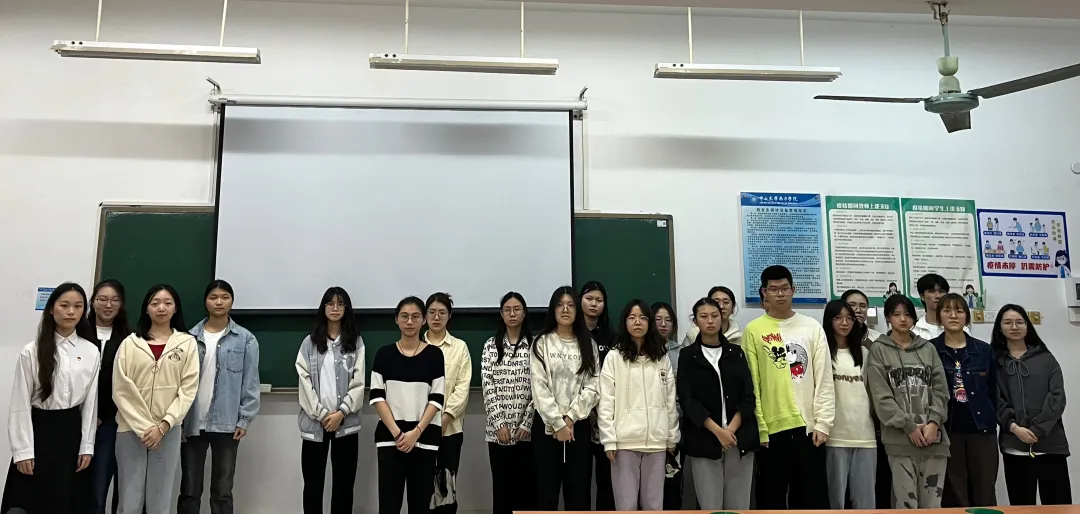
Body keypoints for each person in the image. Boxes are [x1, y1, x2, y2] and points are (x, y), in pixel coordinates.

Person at [1, 283, 99, 514]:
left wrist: (87, 446)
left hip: (71, 433)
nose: (71, 312)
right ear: (51, 309)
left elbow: (90, 404)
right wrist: (23, 450)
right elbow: (19, 404)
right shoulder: (32, 351)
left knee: (66, 500)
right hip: (39, 431)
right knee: (31, 502)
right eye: (64, 305)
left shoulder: (90, 351)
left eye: (78, 306)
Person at [742, 265, 833, 509]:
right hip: (772, 430)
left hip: (809, 429)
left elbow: (824, 378)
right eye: (773, 289)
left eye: (784, 288)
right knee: (771, 500)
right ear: (764, 293)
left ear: (794, 290)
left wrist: (823, 423)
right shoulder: (753, 330)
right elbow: (752, 384)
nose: (780, 294)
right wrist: (761, 428)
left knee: (811, 500)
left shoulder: (812, 327)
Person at [113, 284, 200, 514]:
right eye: (155, 303)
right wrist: (145, 428)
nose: (161, 308)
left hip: (168, 430)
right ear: (146, 308)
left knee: (160, 499)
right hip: (130, 429)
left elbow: (188, 389)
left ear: (175, 309)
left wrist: (163, 425)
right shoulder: (130, 343)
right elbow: (121, 390)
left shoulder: (187, 343)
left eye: (167, 303)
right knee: (129, 499)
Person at [178, 280, 261, 514]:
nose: (219, 302)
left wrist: (244, 419)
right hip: (191, 422)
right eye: (213, 297)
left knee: (222, 492)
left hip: (227, 423)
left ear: (232, 301)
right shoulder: (188, 338)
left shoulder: (245, 339)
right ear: (205, 301)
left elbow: (250, 382)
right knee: (189, 490)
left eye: (225, 297)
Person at [864, 295, 950, 509]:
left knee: (933, 504)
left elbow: (941, 390)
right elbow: (881, 397)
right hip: (899, 441)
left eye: (907, 314)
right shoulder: (879, 350)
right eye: (896, 314)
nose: (903, 319)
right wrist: (909, 426)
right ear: (887, 318)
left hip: (934, 439)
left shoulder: (928, 349)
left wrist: (934, 422)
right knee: (906, 504)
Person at [598, 300, 680, 511]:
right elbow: (606, 401)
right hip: (624, 443)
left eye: (643, 318)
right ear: (625, 322)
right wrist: (609, 439)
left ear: (649, 323)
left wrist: (672, 436)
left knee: (654, 505)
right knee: (626, 506)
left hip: (657, 442)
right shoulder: (614, 357)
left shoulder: (661, 357)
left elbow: (669, 400)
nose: (637, 322)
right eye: (632, 317)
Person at [677, 297, 757, 510]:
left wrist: (730, 431)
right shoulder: (688, 356)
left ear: (722, 318)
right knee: (711, 506)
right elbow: (688, 401)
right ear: (695, 321)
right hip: (704, 438)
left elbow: (748, 397)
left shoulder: (736, 353)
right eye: (703, 316)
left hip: (738, 439)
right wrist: (718, 432)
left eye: (715, 316)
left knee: (738, 506)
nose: (710, 321)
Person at [372, 296, 444, 514]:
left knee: (420, 506)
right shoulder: (383, 354)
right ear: (396, 320)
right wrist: (397, 434)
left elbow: (436, 399)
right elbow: (377, 397)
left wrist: (416, 433)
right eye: (404, 316)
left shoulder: (434, 355)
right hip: (390, 440)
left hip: (424, 441)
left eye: (415, 316)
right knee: (388, 505)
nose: (410, 321)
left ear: (424, 320)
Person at [296, 287, 365, 514]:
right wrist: (323, 414)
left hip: (346, 423)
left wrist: (341, 413)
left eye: (340, 304)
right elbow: (304, 381)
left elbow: (359, 382)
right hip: (315, 423)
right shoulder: (309, 342)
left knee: (344, 486)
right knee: (313, 486)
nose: (335, 308)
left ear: (346, 309)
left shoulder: (356, 342)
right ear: (323, 308)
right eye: (330, 303)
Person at [992, 305, 1070, 505]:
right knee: (1022, 506)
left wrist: (1037, 429)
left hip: (1051, 444)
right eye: (1008, 322)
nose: (1014, 327)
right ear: (1000, 327)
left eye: (1019, 322)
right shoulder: (994, 362)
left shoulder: (1046, 358)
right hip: (1014, 445)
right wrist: (1014, 428)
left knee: (1058, 506)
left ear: (1027, 326)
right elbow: (995, 399)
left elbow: (1057, 397)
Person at [531, 286, 599, 511]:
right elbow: (538, 387)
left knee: (578, 494)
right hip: (547, 427)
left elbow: (593, 386)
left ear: (577, 309)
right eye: (560, 305)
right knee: (546, 494)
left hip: (578, 426)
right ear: (553, 309)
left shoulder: (588, 343)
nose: (565, 309)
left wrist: (570, 418)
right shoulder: (541, 342)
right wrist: (558, 423)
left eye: (570, 305)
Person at [929, 293, 997, 508]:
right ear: (939, 317)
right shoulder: (930, 350)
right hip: (948, 431)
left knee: (984, 492)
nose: (953, 315)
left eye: (959, 311)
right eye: (947, 311)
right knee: (953, 494)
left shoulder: (983, 350)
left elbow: (994, 391)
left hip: (981, 430)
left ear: (966, 316)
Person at [481, 292, 536, 514]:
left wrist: (527, 423)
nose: (512, 314)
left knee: (527, 492)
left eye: (517, 309)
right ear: (501, 314)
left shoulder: (536, 345)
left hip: (528, 432)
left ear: (524, 313)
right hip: (498, 433)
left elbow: (540, 388)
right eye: (507, 310)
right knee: (502, 491)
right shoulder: (490, 346)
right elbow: (488, 386)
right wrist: (499, 424)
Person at [839, 289, 891, 508]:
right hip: (842, 426)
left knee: (874, 485)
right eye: (852, 305)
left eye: (862, 306)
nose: (858, 310)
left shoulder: (879, 341)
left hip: (875, 424)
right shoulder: (831, 342)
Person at [821, 300, 875, 510]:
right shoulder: (822, 352)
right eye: (838, 318)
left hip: (864, 435)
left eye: (849, 318)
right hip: (834, 435)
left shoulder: (865, 353)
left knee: (865, 500)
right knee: (834, 500)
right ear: (829, 320)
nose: (845, 323)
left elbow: (871, 392)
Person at [425, 292, 471, 514]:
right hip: (418, 429)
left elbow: (462, 388)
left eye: (442, 313)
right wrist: (426, 422)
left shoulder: (460, 348)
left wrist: (444, 418)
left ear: (449, 316)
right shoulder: (415, 345)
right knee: (422, 486)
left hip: (450, 429)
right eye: (432, 312)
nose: (436, 317)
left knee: (446, 489)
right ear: (425, 315)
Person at [88, 279, 130, 514]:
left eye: (114, 300)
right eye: (102, 299)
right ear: (93, 301)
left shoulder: (129, 338)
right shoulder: (78, 332)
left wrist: (101, 415)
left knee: (99, 482)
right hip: (74, 420)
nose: (108, 305)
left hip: (110, 423)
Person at [579, 281, 615, 511]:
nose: (594, 304)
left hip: (606, 417)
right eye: (589, 299)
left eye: (599, 300)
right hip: (579, 416)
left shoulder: (612, 337)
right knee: (579, 480)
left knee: (606, 480)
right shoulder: (571, 334)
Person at [651, 301, 685, 510]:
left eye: (668, 320)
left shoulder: (681, 353)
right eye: (658, 319)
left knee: (672, 484)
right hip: (647, 428)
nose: (663, 324)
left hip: (675, 426)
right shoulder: (639, 352)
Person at [911, 274, 950, 340]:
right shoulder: (914, 331)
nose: (938, 296)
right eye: (932, 291)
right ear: (922, 296)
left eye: (941, 291)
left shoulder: (960, 328)